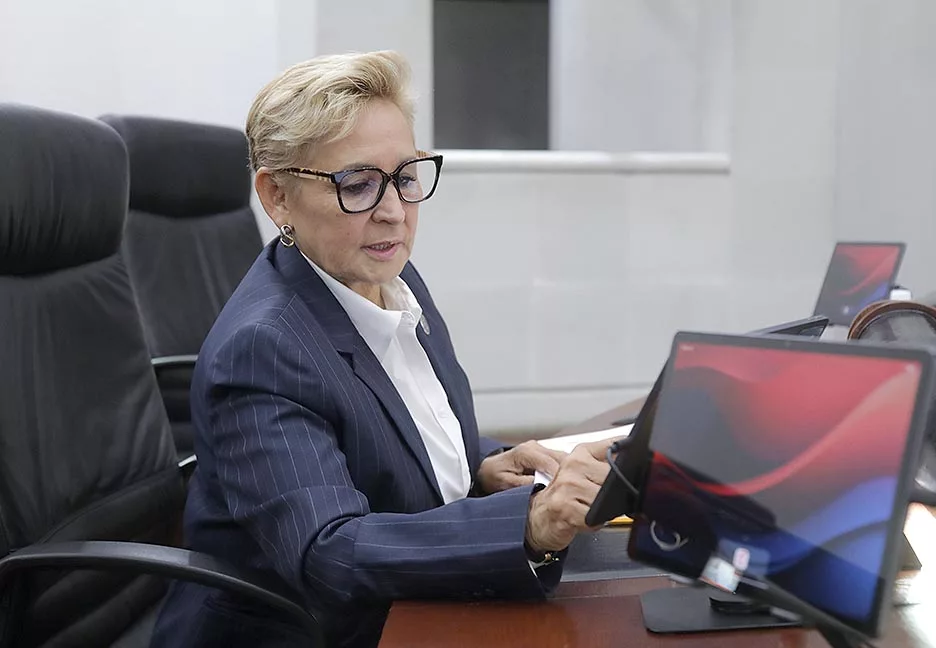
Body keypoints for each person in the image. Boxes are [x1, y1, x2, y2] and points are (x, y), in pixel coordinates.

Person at [151, 50, 614, 648]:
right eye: (358, 184)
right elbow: (331, 550)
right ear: (278, 197)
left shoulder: (389, 277)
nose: (394, 212)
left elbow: (396, 426)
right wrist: (525, 525)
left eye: (406, 176)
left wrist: (479, 465)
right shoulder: (262, 350)